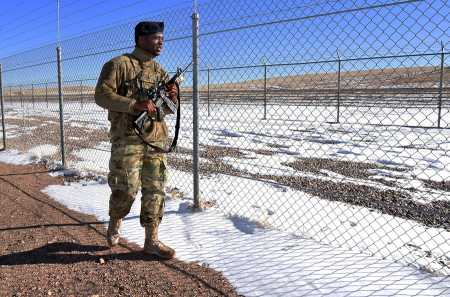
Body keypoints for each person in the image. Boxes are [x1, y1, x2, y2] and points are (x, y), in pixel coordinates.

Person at [94, 21, 178, 260]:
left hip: (155, 140)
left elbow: (169, 108)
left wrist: (172, 96)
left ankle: (151, 240)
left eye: (162, 37)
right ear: (141, 38)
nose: (161, 41)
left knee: (155, 190)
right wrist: (133, 105)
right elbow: (102, 95)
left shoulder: (160, 71)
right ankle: (115, 220)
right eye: (156, 37)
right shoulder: (118, 65)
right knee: (127, 188)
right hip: (127, 139)